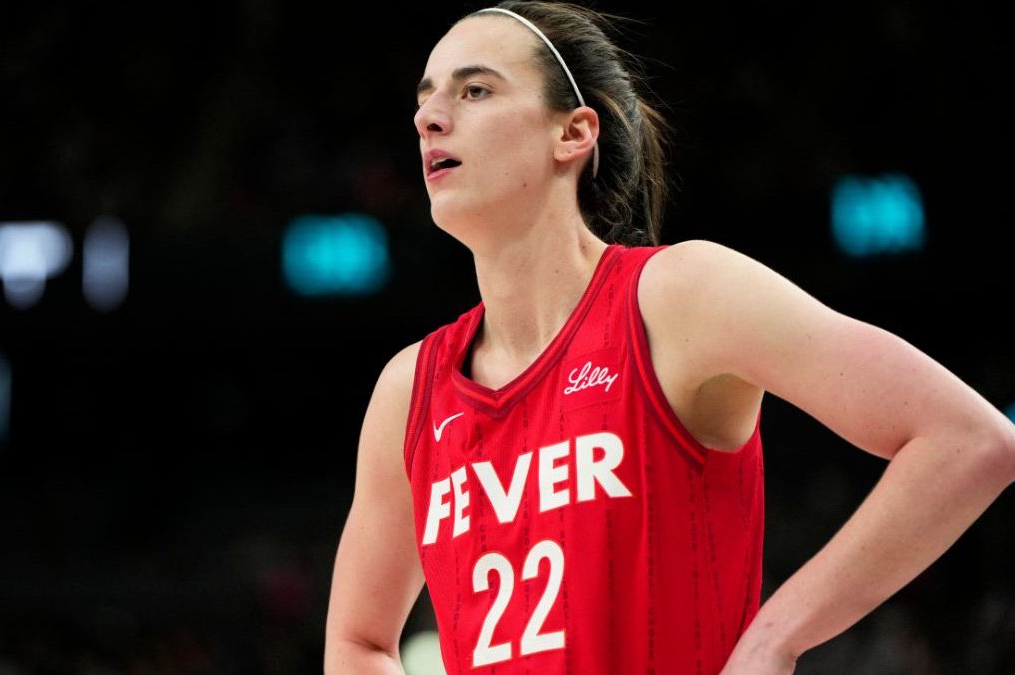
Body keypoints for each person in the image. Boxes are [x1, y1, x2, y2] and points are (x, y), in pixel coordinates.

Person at [324, 2, 1015, 673]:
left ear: (573, 133)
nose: (429, 116)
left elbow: (969, 439)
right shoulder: (410, 388)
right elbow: (358, 641)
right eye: (426, 98)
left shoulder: (677, 298)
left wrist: (773, 638)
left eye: (475, 89)